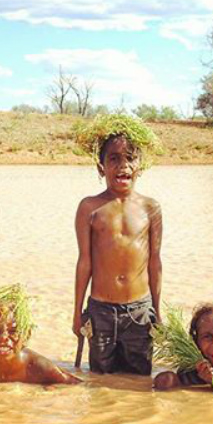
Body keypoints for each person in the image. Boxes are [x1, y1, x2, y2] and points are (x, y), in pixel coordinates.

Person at [72, 114, 162, 375]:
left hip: (140, 310)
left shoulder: (150, 208)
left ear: (140, 165)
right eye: (114, 158)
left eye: (130, 158)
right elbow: (84, 262)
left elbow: (155, 261)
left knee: (139, 381)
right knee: (100, 379)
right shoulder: (90, 207)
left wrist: (157, 310)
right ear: (101, 167)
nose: (123, 166)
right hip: (101, 311)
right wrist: (77, 312)